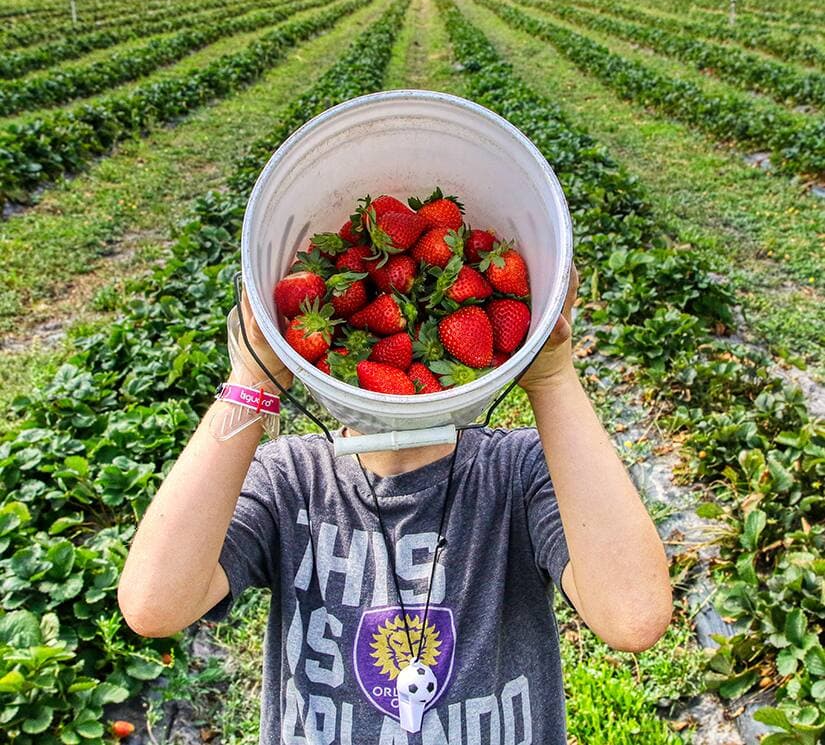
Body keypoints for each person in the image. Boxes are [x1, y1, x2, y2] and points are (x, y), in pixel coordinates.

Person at [118, 263, 672, 744]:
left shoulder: (518, 473)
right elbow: (154, 605)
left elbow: (633, 617)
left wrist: (552, 377)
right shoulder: (289, 480)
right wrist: (250, 377)